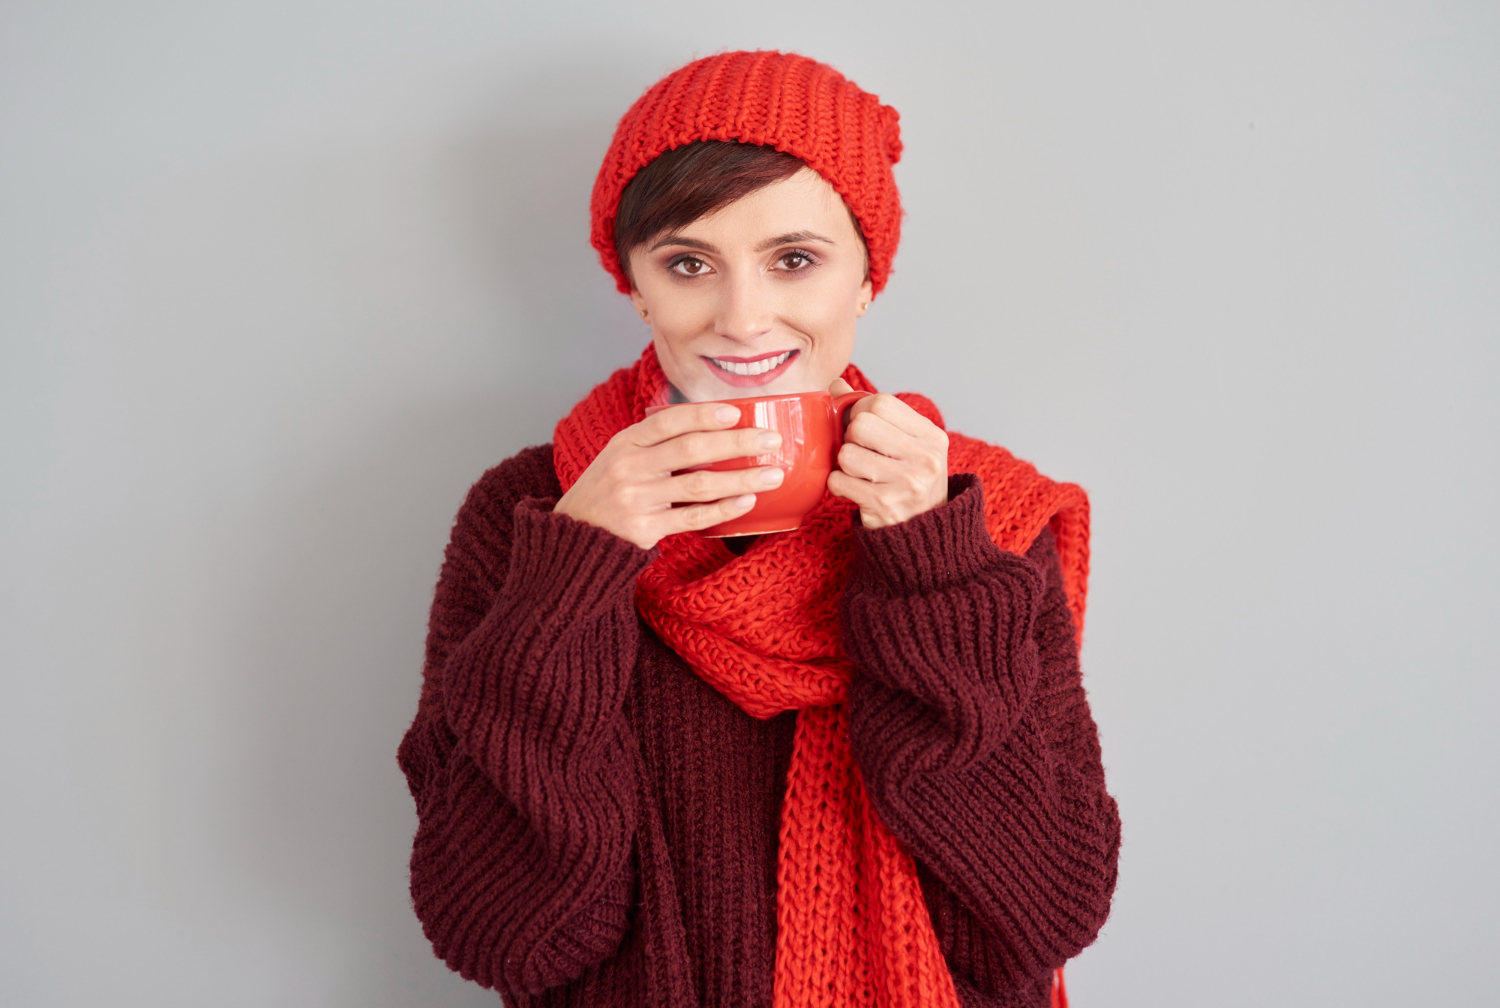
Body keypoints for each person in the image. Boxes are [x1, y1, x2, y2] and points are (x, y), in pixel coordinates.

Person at [397, 50, 1120, 1008]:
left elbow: (1039, 916)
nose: (744, 318)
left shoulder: (974, 515)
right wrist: (574, 576)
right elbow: (508, 937)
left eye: (795, 260)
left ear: (867, 279)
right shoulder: (533, 515)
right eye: (690, 263)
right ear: (636, 285)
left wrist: (932, 567)